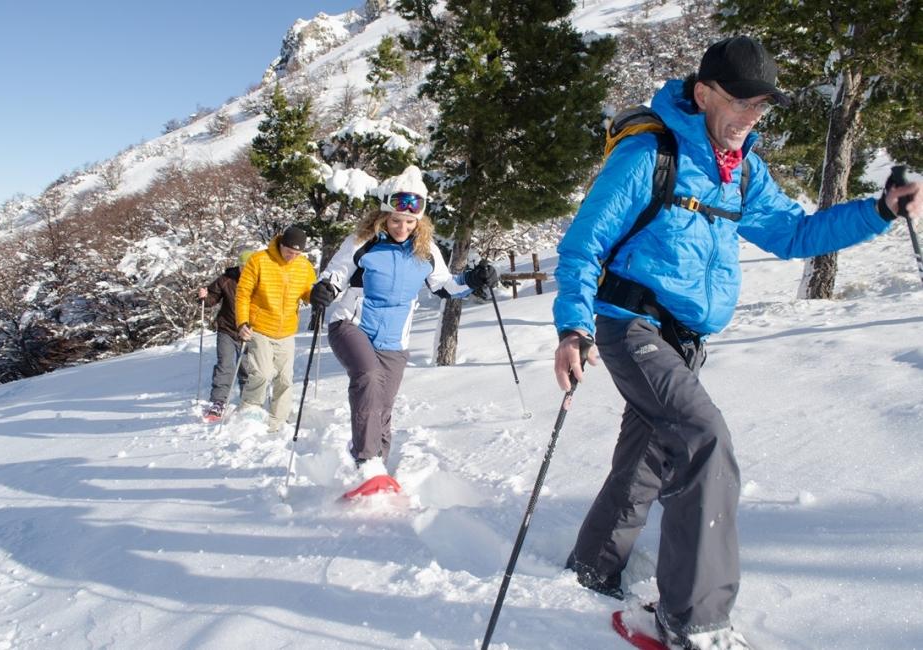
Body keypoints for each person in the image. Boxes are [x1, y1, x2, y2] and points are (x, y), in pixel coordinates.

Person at [552, 35, 921, 650]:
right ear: (703, 94)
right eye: (742, 101)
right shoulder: (650, 155)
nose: (752, 116)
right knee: (704, 440)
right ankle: (693, 619)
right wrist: (573, 327)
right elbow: (582, 247)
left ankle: (593, 566)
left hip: (685, 339)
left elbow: (796, 234)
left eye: (763, 106)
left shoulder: (743, 169)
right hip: (628, 323)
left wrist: (879, 209)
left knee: (649, 454)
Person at [309, 165, 499, 479]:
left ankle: (377, 471)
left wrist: (476, 279)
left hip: (394, 342)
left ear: (419, 221)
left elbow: (446, 287)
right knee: (368, 377)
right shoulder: (363, 242)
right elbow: (336, 275)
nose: (402, 227)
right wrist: (324, 289)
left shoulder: (426, 251)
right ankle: (366, 462)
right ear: (383, 216)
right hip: (351, 327)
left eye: (410, 221)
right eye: (396, 220)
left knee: (382, 407)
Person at [234, 225, 317, 432]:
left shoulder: (304, 266)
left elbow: (308, 293)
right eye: (290, 252)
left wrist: (317, 296)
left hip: (287, 330)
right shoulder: (259, 260)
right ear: (281, 245)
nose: (292, 257)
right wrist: (242, 322)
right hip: (259, 327)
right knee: (262, 373)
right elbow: (243, 294)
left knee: (285, 378)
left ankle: (277, 420)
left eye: (297, 253)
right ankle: (250, 410)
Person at [198, 248, 253, 421]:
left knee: (247, 368)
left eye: (249, 266)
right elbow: (212, 298)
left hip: (251, 331)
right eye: (243, 266)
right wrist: (204, 297)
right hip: (227, 330)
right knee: (225, 365)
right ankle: (218, 402)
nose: (246, 269)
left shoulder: (261, 281)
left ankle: (248, 401)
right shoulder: (226, 280)